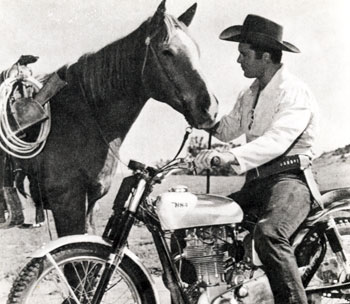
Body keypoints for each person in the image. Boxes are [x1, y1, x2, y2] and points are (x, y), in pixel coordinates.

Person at [194, 14, 319, 304]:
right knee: (203, 222)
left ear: (265, 56)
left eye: (244, 54)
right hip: (257, 183)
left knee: (269, 234)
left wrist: (228, 157)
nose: (239, 61)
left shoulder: (294, 91)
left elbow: (277, 141)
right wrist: (203, 116)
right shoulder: (249, 93)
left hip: (290, 181)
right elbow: (227, 129)